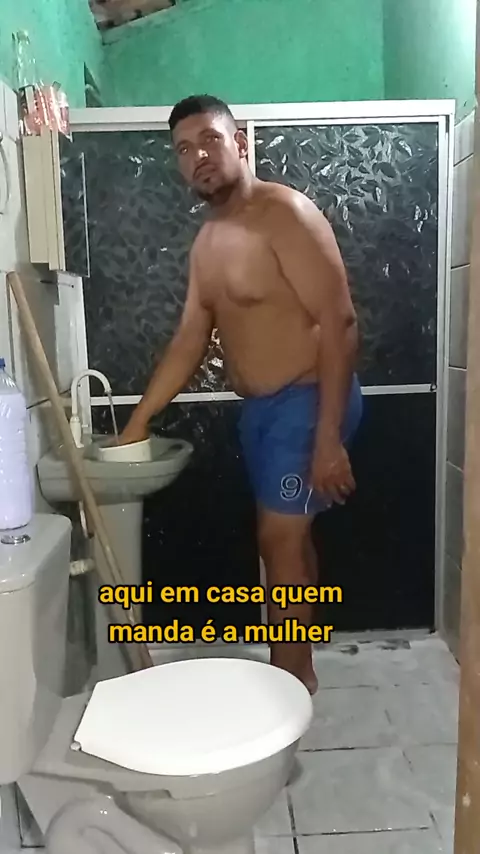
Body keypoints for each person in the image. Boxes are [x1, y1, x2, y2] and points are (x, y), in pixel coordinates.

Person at [118, 95, 363, 694]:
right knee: (290, 540)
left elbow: (340, 322)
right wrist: (138, 423)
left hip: (308, 402)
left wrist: (328, 439)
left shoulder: (284, 215)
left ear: (240, 143)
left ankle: (288, 684)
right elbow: (189, 340)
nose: (198, 156)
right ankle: (302, 668)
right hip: (264, 413)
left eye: (210, 139)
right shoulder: (208, 244)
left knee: (278, 541)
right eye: (184, 149)